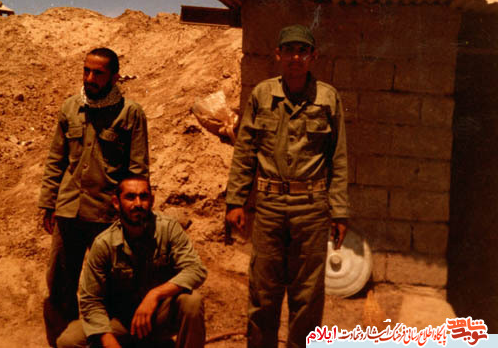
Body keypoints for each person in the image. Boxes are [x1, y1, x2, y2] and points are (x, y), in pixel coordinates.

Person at [225, 25, 349, 348]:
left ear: (313, 56)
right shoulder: (262, 95)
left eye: (302, 50)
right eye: (289, 50)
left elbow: (338, 158)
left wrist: (339, 211)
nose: (296, 57)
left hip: (311, 207)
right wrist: (235, 201)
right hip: (269, 207)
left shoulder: (327, 98)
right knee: (263, 290)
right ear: (278, 55)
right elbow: (245, 151)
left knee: (307, 295)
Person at [38, 47, 149, 346]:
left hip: (107, 217)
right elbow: (56, 160)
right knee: (60, 285)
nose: (90, 78)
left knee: (111, 287)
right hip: (68, 212)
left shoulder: (130, 113)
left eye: (98, 73)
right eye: (86, 71)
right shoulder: (70, 107)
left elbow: (138, 170)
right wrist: (48, 203)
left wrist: (132, 213)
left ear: (114, 77)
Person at [56, 175, 207, 348]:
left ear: (152, 200)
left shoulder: (169, 229)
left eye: (143, 196)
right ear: (116, 202)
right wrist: (109, 342)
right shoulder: (104, 243)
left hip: (158, 317)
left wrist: (155, 295)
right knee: (69, 342)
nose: (138, 203)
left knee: (192, 301)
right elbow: (91, 300)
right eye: (130, 197)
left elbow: (195, 269)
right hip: (120, 322)